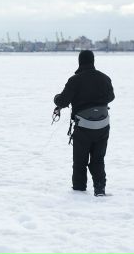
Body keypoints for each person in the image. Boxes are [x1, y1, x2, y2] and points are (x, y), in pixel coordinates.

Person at [53, 50, 115, 196]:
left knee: (80, 160)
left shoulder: (75, 80)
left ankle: (79, 191)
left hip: (84, 127)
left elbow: (62, 101)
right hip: (103, 125)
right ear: (93, 61)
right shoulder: (105, 78)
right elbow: (111, 97)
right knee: (98, 159)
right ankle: (100, 189)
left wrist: (56, 99)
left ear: (80, 62)